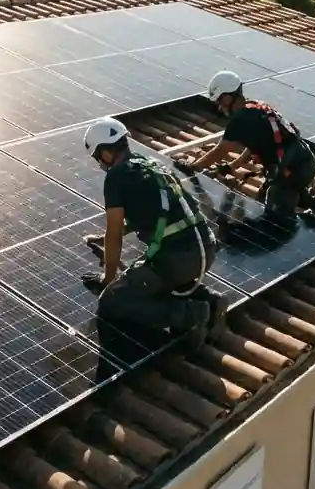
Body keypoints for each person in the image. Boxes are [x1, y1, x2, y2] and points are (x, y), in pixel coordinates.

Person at [81, 117, 223, 348]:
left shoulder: (116, 177)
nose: (100, 163)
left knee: (112, 302)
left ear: (105, 152)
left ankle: (190, 314)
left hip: (177, 260)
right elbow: (157, 214)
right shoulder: (151, 164)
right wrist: (102, 238)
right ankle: (210, 299)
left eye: (98, 157)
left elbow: (114, 233)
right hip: (206, 246)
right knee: (153, 283)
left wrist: (106, 280)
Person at [176, 70, 315, 223]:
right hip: (302, 163)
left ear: (227, 97)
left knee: (276, 221)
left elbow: (221, 150)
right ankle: (306, 205)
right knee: (262, 202)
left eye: (219, 101)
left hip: (295, 170)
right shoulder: (254, 108)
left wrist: (192, 168)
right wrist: (231, 167)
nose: (219, 107)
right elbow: (254, 145)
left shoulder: (241, 118)